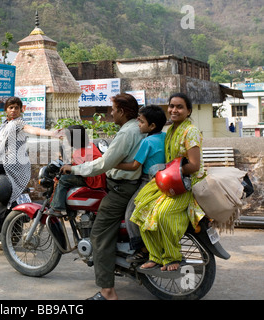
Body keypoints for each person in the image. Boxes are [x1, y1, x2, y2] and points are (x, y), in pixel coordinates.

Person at [60, 93, 146, 300]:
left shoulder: (127, 133)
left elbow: (101, 165)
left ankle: (108, 292)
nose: (111, 113)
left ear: (122, 112)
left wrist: (73, 169)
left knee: (99, 235)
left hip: (120, 188)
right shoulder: (138, 128)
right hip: (127, 184)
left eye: (113, 109)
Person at [130, 93, 206, 272]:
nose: (174, 110)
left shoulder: (190, 131)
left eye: (179, 107)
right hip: (170, 180)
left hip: (186, 184)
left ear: (188, 111)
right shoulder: (171, 130)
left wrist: (167, 170)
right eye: (171, 106)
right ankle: (155, 255)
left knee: (162, 214)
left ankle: (173, 256)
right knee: (140, 209)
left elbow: (194, 166)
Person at [0, 97, 62, 220]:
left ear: (20, 110)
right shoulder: (5, 125)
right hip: (5, 161)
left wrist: (52, 133)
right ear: (6, 110)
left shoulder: (18, 123)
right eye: (11, 108)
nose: (13, 110)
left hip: (10, 164)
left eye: (16, 108)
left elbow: (31, 129)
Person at [115, 105, 167, 263]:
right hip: (163, 178)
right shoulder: (165, 137)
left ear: (152, 126)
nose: (138, 124)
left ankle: (140, 249)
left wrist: (113, 164)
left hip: (148, 181)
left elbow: (134, 166)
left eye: (142, 122)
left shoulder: (147, 141)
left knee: (131, 214)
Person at [48, 125, 106, 215]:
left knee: (63, 180)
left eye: (68, 138)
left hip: (92, 179)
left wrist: (69, 169)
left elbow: (80, 169)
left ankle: (57, 208)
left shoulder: (80, 151)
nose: (67, 140)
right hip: (95, 176)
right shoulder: (89, 146)